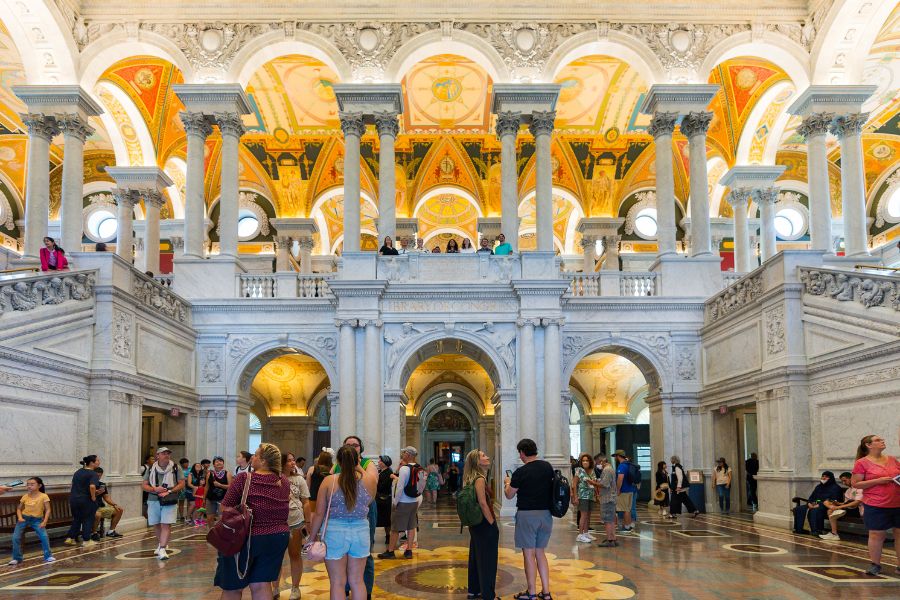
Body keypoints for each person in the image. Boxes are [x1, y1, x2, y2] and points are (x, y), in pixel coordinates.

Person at [214, 443, 291, 599]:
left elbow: (224, 507)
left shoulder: (244, 478)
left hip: (247, 537)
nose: (252, 458)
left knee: (233, 586)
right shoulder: (283, 481)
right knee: (262, 584)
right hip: (277, 536)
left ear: (263, 461)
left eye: (255, 455)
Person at [304, 444, 377, 600]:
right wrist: (359, 468)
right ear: (357, 460)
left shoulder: (329, 481)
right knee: (357, 581)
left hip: (334, 531)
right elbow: (369, 502)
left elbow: (319, 513)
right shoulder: (369, 481)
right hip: (361, 530)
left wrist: (311, 538)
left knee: (337, 582)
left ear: (337, 462)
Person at [504, 438, 554, 600]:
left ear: (522, 453)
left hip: (527, 515)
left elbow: (509, 494)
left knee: (528, 554)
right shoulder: (547, 467)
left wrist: (507, 483)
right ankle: (546, 592)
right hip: (546, 515)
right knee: (540, 553)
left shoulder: (521, 472)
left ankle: (531, 592)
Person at [851, 434, 900, 576]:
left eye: (882, 439)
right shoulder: (862, 462)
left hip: (897, 502)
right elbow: (855, 483)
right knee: (877, 534)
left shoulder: (892, 459)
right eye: (878, 440)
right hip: (876, 504)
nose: (882, 441)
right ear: (868, 445)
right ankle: (875, 564)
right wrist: (877, 481)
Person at [336, 436, 378, 598]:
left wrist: (358, 466)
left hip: (363, 511)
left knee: (364, 554)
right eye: (348, 445)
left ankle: (365, 591)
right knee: (343, 552)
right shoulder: (338, 466)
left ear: (361, 448)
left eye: (356, 445)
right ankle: (345, 588)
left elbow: (373, 483)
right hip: (341, 513)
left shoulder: (368, 464)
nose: (352, 448)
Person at [463, 449, 499, 600]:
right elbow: (483, 504)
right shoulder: (479, 479)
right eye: (484, 455)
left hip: (475, 524)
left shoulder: (470, 478)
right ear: (477, 461)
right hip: (484, 523)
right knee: (488, 561)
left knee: (476, 557)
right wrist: (492, 523)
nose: (488, 456)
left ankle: (474, 591)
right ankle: (488, 595)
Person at [379, 446, 421, 560]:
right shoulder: (419, 468)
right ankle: (409, 551)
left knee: (395, 528)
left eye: (403, 453)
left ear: (408, 455)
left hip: (403, 501)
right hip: (414, 501)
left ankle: (391, 551)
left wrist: (395, 502)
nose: (402, 455)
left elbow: (400, 487)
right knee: (411, 526)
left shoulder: (404, 469)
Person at [142, 447, 184, 560]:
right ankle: (161, 544)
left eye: (168, 453)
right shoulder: (151, 468)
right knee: (156, 523)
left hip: (169, 498)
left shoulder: (175, 467)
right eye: (164, 453)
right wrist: (155, 489)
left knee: (166, 523)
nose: (166, 455)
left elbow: (181, 484)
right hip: (153, 499)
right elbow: (144, 485)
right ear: (158, 455)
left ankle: (162, 548)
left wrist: (169, 491)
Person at [282, 452, 311, 600]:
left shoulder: (299, 479)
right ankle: (274, 587)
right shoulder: (274, 478)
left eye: (293, 460)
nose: (293, 463)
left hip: (295, 521)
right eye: (289, 461)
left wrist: (308, 522)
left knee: (295, 554)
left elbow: (305, 501)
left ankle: (295, 588)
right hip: (277, 522)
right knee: (275, 557)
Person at [8, 477, 54, 565]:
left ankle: (48, 556)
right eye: (28, 484)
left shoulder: (44, 496)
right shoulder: (25, 496)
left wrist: (44, 521)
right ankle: (16, 558)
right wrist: (20, 517)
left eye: (32, 484)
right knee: (15, 537)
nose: (29, 486)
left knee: (44, 536)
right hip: (24, 519)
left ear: (39, 485)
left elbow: (48, 510)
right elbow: (19, 509)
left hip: (37, 520)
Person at [65, 455, 101, 546]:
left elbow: (76, 485)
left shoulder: (78, 472)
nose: (99, 462)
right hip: (86, 500)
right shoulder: (93, 474)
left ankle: (70, 538)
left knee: (77, 519)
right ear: (92, 463)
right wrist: (93, 497)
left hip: (74, 499)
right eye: (97, 460)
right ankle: (86, 540)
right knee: (88, 519)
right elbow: (92, 486)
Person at [792, 471, 842, 536]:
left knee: (815, 510)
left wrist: (819, 504)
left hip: (826, 506)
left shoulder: (836, 488)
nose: (824, 478)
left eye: (826, 477)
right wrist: (809, 503)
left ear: (831, 478)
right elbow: (812, 497)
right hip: (814, 504)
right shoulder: (819, 486)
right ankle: (800, 529)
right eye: (823, 476)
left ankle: (816, 531)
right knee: (799, 509)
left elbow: (834, 500)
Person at [820, 472, 863, 541]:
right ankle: (834, 533)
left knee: (831, 511)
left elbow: (857, 502)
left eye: (845, 480)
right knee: (827, 503)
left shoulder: (859, 487)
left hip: (857, 510)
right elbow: (845, 503)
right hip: (849, 509)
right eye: (842, 481)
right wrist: (838, 503)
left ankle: (834, 533)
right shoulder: (848, 491)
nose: (843, 483)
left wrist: (838, 507)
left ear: (851, 478)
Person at [572, 453, 599, 543]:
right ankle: (580, 535)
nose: (585, 462)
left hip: (591, 496)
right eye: (583, 460)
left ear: (590, 461)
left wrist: (596, 494)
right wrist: (575, 497)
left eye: (587, 460)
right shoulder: (579, 470)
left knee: (588, 515)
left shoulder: (592, 470)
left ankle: (586, 533)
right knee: (583, 515)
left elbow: (595, 483)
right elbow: (574, 485)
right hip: (582, 496)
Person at [92, 467, 123, 539]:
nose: (98, 477)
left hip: (100, 507)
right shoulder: (90, 485)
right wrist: (95, 493)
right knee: (97, 514)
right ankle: (94, 533)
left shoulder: (102, 484)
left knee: (119, 510)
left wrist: (114, 505)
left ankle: (111, 531)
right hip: (91, 508)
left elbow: (106, 498)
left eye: (100, 475)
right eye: (96, 475)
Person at [595, 456, 618, 548]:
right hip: (610, 497)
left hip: (607, 498)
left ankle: (610, 540)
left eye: (598, 463)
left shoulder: (607, 470)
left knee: (607, 520)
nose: (598, 465)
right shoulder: (610, 469)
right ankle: (613, 538)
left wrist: (592, 483)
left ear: (602, 462)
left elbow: (604, 484)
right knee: (611, 519)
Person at [205, 456, 232, 529]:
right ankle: (211, 533)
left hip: (222, 499)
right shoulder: (209, 474)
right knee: (210, 518)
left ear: (223, 464)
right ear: (213, 464)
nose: (219, 463)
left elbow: (230, 487)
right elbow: (207, 487)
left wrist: (220, 485)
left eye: (221, 461)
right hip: (210, 498)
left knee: (221, 518)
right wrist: (204, 498)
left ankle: (221, 535)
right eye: (217, 461)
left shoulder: (227, 473)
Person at [614, 450, 635, 533]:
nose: (615, 458)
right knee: (628, 509)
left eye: (615, 456)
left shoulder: (621, 466)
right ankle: (628, 525)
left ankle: (626, 528)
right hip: (630, 490)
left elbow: (620, 479)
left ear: (618, 456)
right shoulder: (628, 464)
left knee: (624, 509)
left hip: (624, 491)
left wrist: (618, 489)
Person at [376, 455, 394, 544]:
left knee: (386, 520)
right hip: (378, 498)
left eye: (380, 461)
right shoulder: (379, 471)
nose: (378, 462)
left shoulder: (388, 472)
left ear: (384, 463)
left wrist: (375, 482)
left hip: (385, 499)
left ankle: (388, 536)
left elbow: (383, 486)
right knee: (377, 518)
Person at [178, 458, 193, 523]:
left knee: (189, 502)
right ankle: (181, 516)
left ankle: (188, 515)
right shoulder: (179, 470)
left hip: (190, 488)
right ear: (181, 464)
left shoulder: (191, 469)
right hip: (182, 488)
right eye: (185, 463)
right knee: (181, 501)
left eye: (187, 462)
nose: (186, 464)